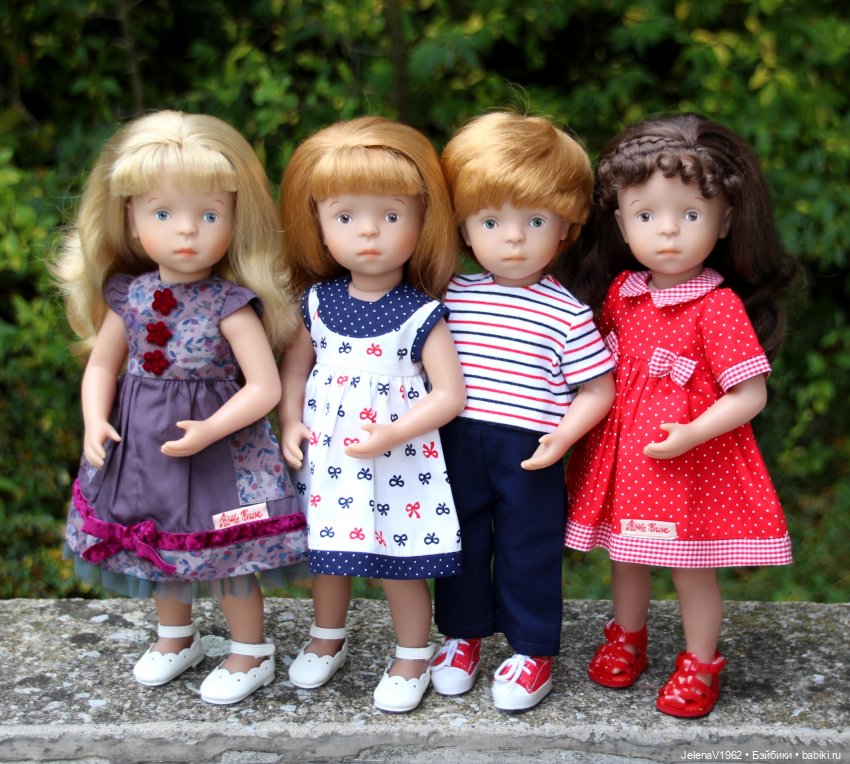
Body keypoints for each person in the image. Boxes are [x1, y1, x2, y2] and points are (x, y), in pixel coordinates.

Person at [56, 110, 308, 705]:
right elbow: (102, 365)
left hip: (225, 452)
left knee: (229, 553)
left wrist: (211, 429)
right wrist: (95, 419)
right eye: (162, 213)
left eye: (209, 215)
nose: (187, 231)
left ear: (235, 221)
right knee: (160, 540)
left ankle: (251, 650)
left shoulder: (231, 304)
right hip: (144, 448)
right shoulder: (129, 295)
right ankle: (176, 637)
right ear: (130, 217)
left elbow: (264, 387)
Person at [561, 112, 798, 718]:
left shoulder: (717, 306)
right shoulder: (621, 296)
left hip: (691, 464)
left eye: (690, 215)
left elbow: (750, 395)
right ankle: (627, 637)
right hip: (627, 460)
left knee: (692, 568)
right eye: (646, 216)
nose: (667, 231)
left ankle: (699, 660)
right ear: (621, 223)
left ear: (724, 221)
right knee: (627, 556)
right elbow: (595, 371)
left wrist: (692, 431)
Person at [277, 116, 466, 713]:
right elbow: (294, 370)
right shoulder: (316, 302)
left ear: (423, 220)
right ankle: (326, 636)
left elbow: (449, 395)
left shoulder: (422, 313)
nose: (368, 232)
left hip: (399, 458)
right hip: (330, 456)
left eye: (390, 215)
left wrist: (394, 432)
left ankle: (412, 653)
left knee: (398, 560)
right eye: (345, 216)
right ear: (317, 224)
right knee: (328, 550)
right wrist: (290, 421)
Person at [430, 111, 616, 711]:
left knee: (527, 546)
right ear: (463, 228)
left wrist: (562, 438)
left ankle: (532, 649)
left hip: (530, 447)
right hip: (456, 439)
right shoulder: (450, 295)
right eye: (490, 221)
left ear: (565, 227)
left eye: (535, 221)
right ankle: (462, 637)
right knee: (458, 540)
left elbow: (597, 389)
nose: (513, 239)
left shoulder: (567, 312)